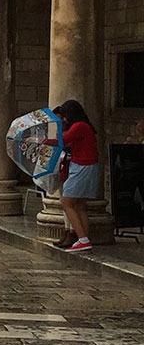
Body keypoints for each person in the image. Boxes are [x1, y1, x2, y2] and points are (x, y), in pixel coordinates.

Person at [52, 99, 99, 252]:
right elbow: (71, 144)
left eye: (64, 116)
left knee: (67, 202)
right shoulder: (85, 127)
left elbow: (62, 140)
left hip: (82, 167)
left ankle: (83, 239)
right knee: (80, 205)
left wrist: (41, 140)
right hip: (88, 166)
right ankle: (83, 238)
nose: (64, 119)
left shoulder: (79, 126)